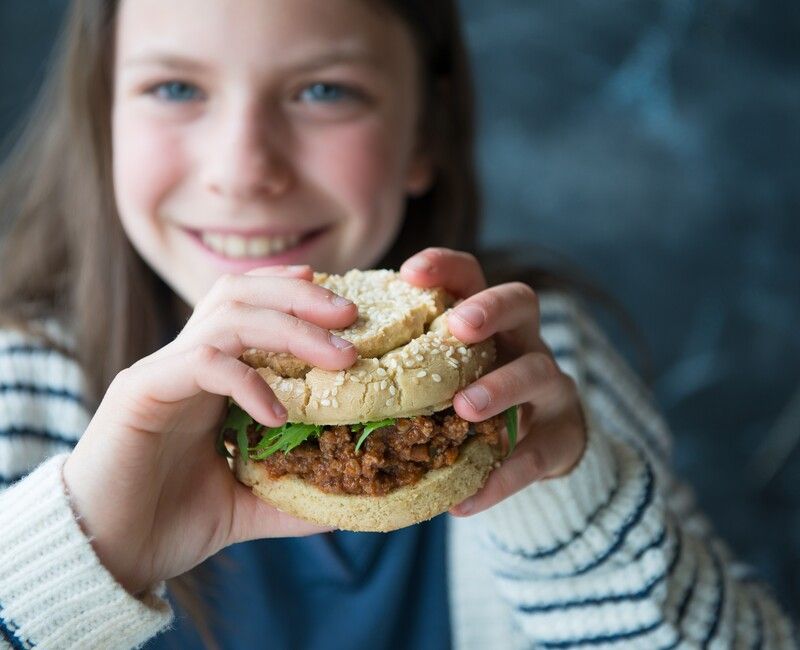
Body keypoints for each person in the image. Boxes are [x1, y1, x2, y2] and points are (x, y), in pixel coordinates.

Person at [0, 0, 795, 648]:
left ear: (424, 133)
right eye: (175, 88)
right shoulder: (19, 381)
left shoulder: (536, 361)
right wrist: (83, 553)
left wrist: (567, 517)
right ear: (102, 120)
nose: (242, 170)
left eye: (324, 91)